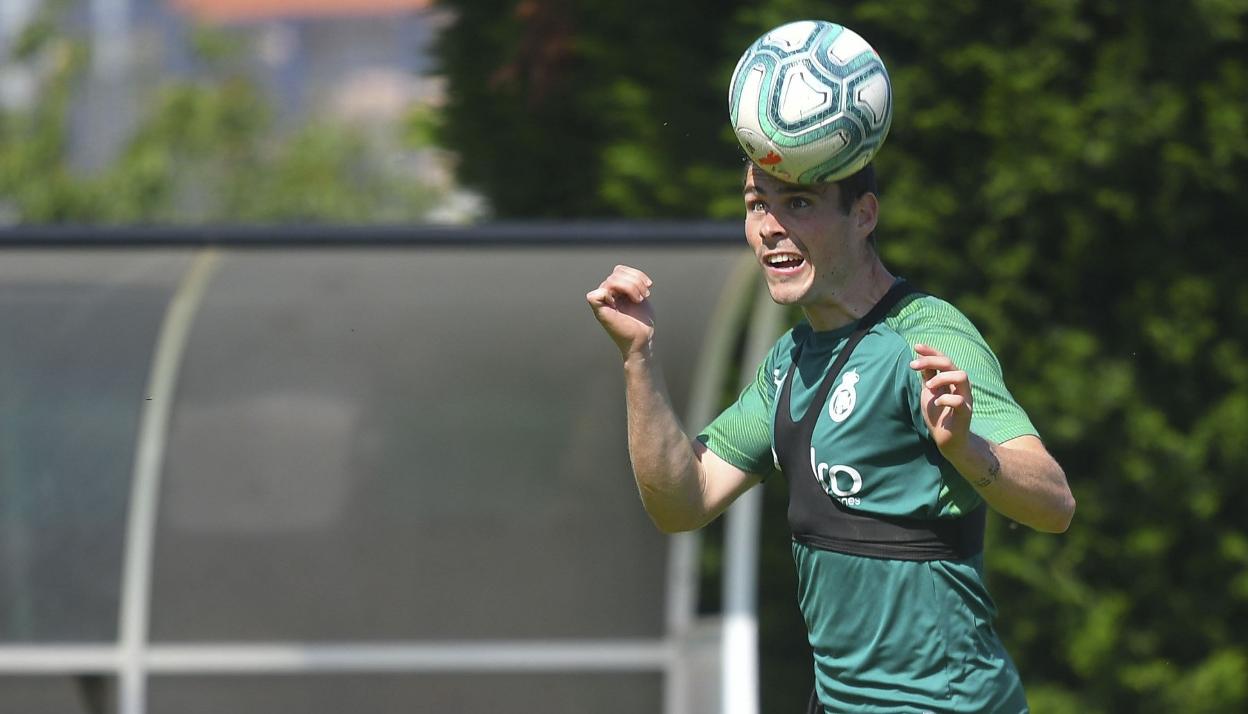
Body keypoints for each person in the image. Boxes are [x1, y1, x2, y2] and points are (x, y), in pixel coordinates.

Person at [585, 160, 1076, 713]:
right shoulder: (791, 363)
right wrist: (637, 357)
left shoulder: (925, 336)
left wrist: (967, 449)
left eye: (798, 203)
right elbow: (683, 501)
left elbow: (1054, 503)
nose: (769, 225)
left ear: (863, 215)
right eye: (756, 204)